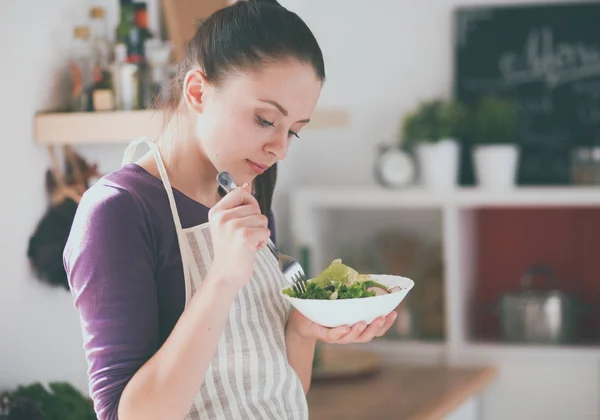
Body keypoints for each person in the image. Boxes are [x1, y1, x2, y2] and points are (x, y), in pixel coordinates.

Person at [64, 1, 397, 419]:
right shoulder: (117, 213)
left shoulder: (247, 196)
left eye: (294, 131)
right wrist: (222, 277)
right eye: (264, 119)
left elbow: (280, 392)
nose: (280, 148)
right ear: (198, 92)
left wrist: (302, 330)